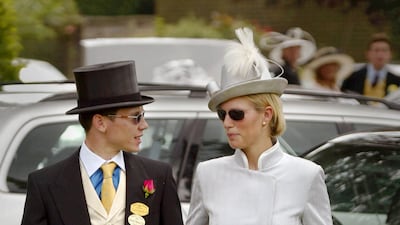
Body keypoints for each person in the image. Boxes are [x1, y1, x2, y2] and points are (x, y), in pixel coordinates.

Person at [186, 27, 332, 225]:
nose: (227, 123)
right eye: (222, 114)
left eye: (237, 114)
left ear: (267, 114)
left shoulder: (306, 175)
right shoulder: (208, 173)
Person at [21, 61, 184, 225]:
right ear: (100, 123)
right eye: (136, 117)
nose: (144, 125)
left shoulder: (158, 175)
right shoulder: (45, 183)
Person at [341, 33, 400, 98]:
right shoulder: (353, 78)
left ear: (391, 54)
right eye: (376, 50)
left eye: (384, 50)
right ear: (367, 53)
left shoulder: (397, 81)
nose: (380, 54)